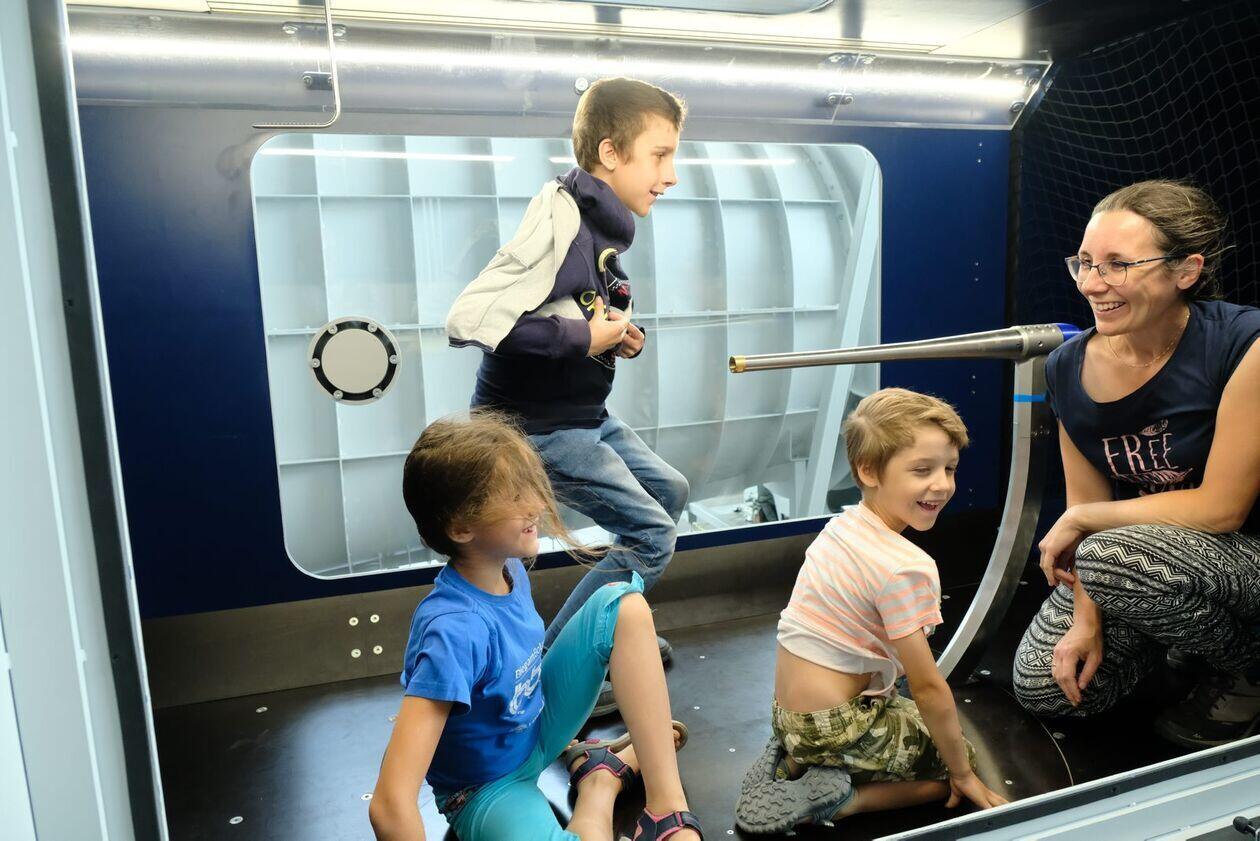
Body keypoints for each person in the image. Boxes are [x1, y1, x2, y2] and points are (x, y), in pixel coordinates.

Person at [446, 77, 690, 714]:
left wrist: (615, 337)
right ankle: (559, 669)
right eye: (660, 156)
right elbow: (480, 322)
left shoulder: (599, 228)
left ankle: (611, 632)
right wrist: (584, 336)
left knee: (669, 495)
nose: (670, 175)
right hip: (537, 430)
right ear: (610, 153)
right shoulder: (561, 224)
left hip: (584, 416)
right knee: (653, 536)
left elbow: (569, 312)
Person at [368, 412, 702, 841]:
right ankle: (600, 783)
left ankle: (665, 809)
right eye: (515, 497)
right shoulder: (453, 631)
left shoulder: (508, 569)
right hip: (488, 788)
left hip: (537, 729)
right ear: (461, 527)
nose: (537, 505)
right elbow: (390, 805)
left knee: (626, 607)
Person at [1012, 180, 1260, 747]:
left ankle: (1247, 668)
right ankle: (1181, 633)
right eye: (1085, 262)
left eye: (1118, 265)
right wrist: (1086, 621)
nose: (1091, 284)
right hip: (1150, 562)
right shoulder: (1066, 368)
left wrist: (1083, 522)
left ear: (1186, 271)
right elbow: (1086, 506)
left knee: (1111, 556)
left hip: (1247, 554)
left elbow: (1222, 509)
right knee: (1045, 687)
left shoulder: (1245, 345)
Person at [740, 389, 1006, 833]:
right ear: (868, 470)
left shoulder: (841, 527)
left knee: (911, 718)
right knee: (959, 759)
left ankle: (798, 760)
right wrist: (962, 772)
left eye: (950, 468)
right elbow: (927, 686)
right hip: (832, 726)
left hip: (787, 714)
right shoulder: (904, 568)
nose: (942, 484)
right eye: (922, 470)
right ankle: (845, 800)